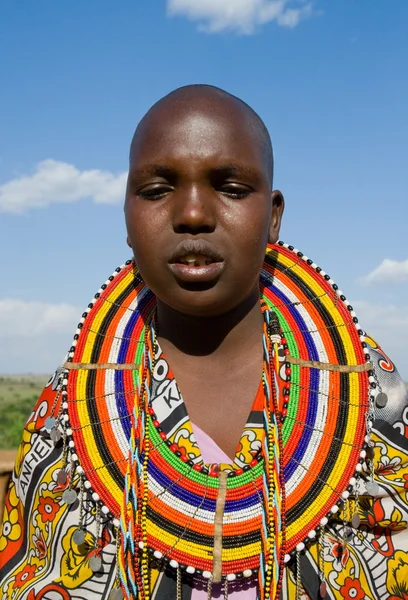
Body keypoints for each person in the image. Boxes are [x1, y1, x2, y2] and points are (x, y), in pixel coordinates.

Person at [0, 85, 407, 600]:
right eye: (156, 190)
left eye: (232, 188)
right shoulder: (72, 409)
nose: (193, 213)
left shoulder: (364, 390)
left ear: (274, 217)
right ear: (126, 217)